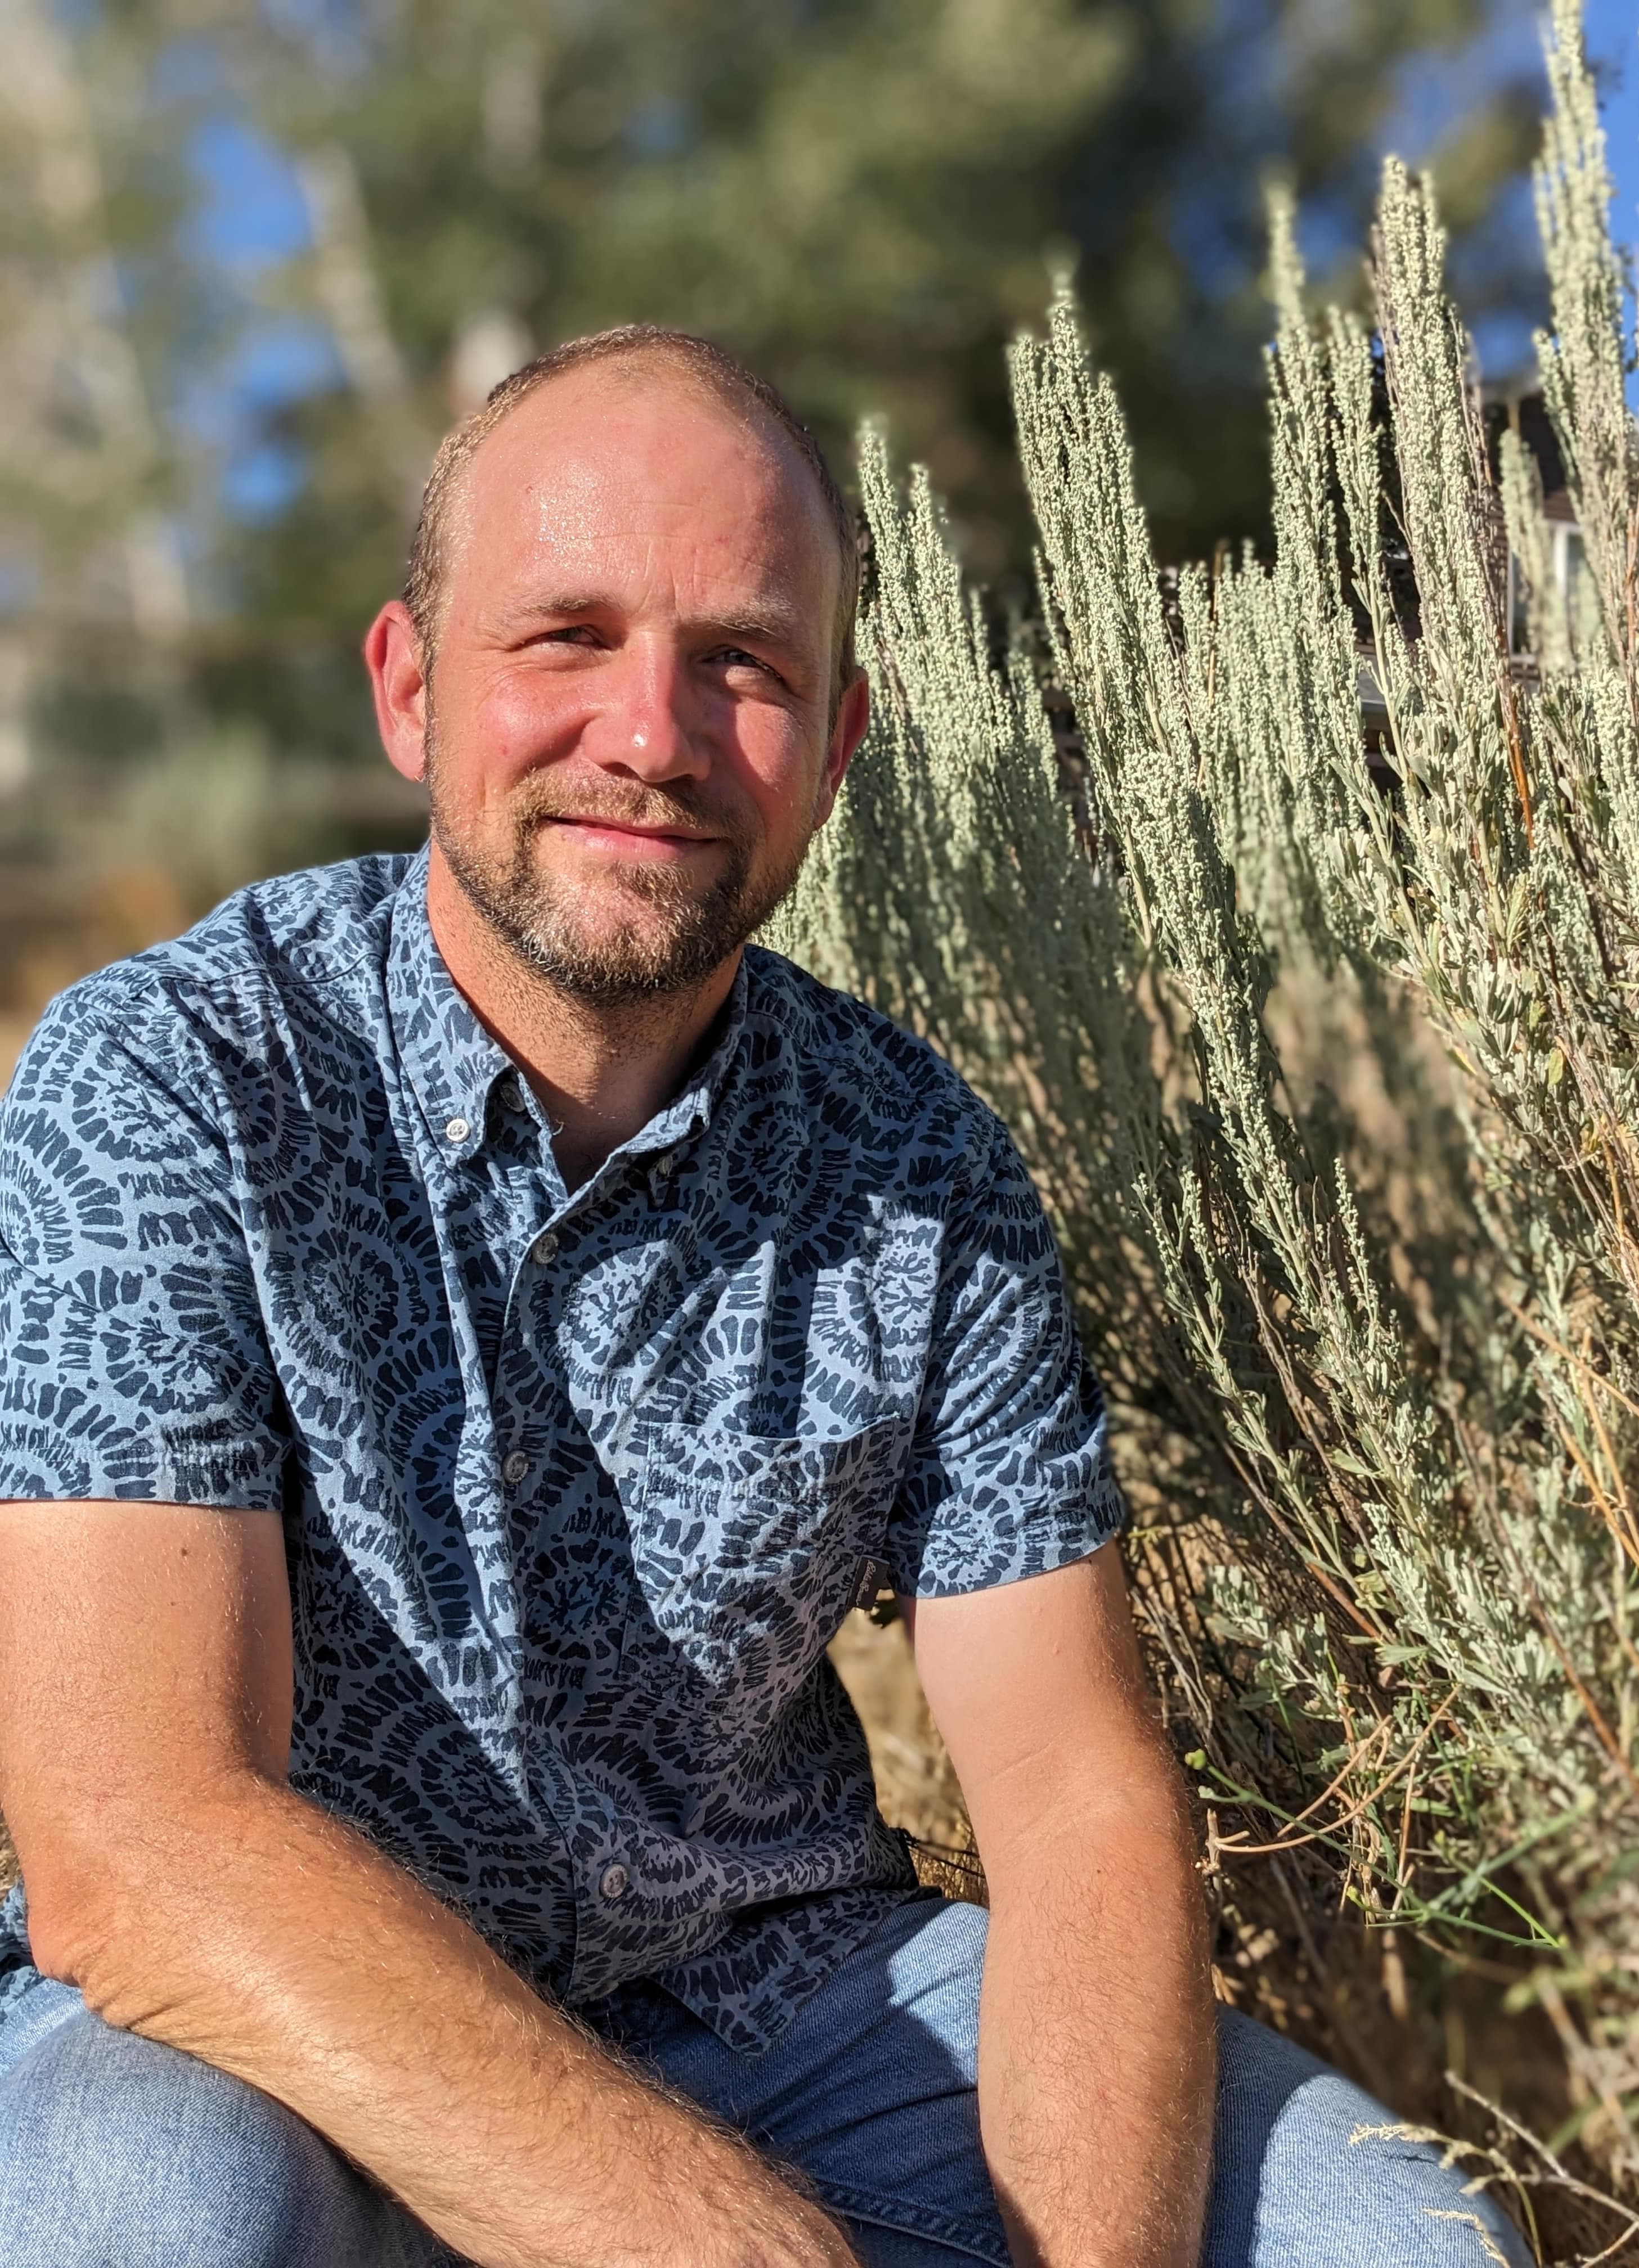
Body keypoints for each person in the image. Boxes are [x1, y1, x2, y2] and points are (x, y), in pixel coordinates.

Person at [0, 327, 1530, 2268]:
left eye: (744, 662)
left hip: (778, 2008)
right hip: (272, 2049)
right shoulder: (171, 1080)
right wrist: (728, 2244)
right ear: (409, 687)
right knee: (145, 2206)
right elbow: (138, 1851)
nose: (653, 734)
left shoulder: (920, 1162)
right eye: (566, 637)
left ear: (838, 742)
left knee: (1397, 2246)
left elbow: (1074, 1801)